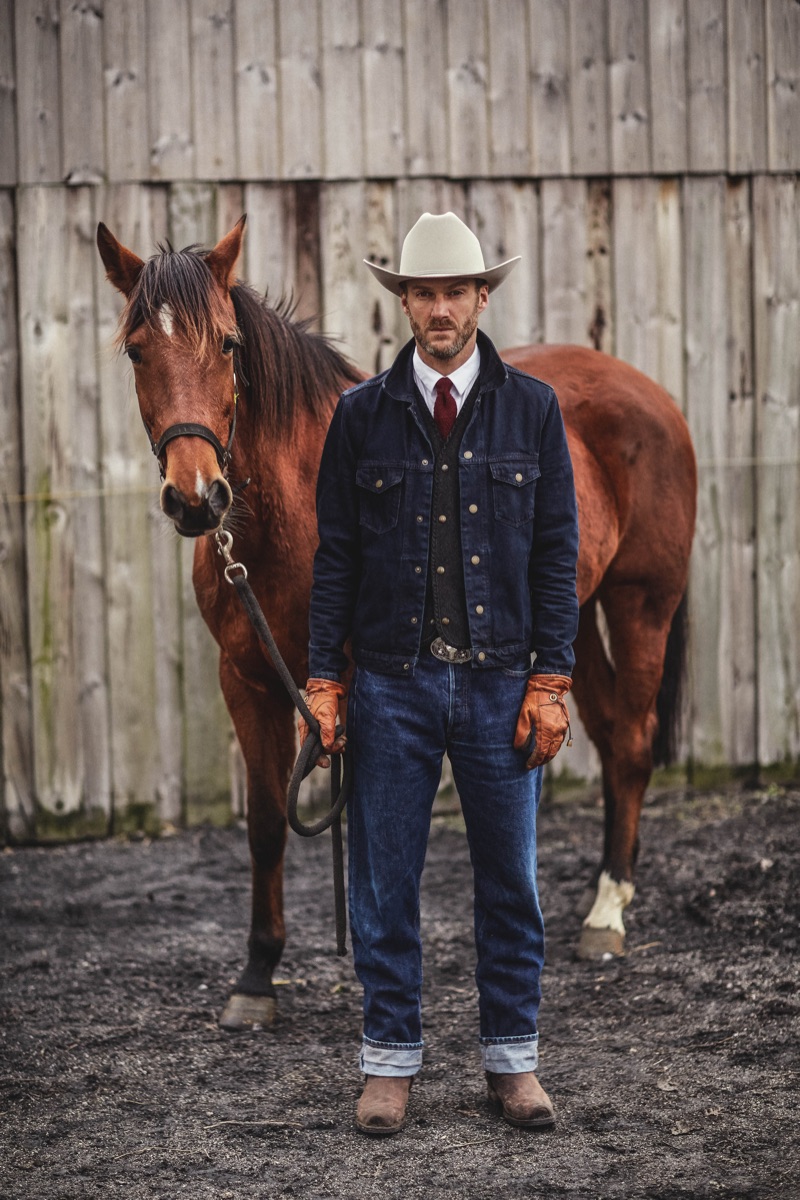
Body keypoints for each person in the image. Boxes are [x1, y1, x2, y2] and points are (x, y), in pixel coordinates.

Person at [299, 212, 579, 1136]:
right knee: (385, 884)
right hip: (391, 682)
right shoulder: (360, 416)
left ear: (481, 298)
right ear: (405, 304)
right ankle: (389, 1062)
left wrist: (554, 678)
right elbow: (334, 556)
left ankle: (512, 1061)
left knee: (511, 881)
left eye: (456, 291)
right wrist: (324, 680)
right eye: (423, 293)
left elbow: (555, 552)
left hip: (503, 684)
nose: (440, 309)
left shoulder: (533, 410)